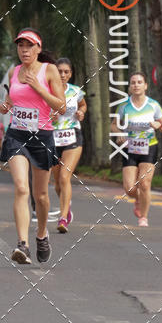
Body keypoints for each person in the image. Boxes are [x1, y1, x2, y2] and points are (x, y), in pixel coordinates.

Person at [0, 29, 65, 265]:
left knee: (42, 195)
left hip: (42, 137)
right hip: (17, 135)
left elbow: (62, 106)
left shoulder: (49, 71)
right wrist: (5, 107)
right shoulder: (13, 71)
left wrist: (38, 87)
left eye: (29, 46)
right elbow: (10, 100)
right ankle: (22, 245)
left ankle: (41, 235)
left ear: (38, 48)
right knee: (20, 187)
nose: (24, 50)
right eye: (20, 46)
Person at [113, 72, 162, 227]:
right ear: (130, 87)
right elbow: (114, 125)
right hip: (130, 147)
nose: (136, 85)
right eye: (133, 82)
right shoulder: (124, 106)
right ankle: (137, 198)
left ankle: (143, 217)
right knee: (129, 187)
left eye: (139, 82)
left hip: (149, 147)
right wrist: (119, 133)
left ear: (145, 86)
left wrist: (159, 125)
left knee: (144, 184)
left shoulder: (153, 105)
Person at [51, 58, 87, 234]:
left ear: (70, 74)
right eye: (59, 71)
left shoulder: (75, 91)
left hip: (73, 137)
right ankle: (67, 206)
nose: (63, 75)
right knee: (57, 183)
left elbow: (82, 105)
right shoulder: (47, 90)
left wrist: (81, 113)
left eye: (66, 72)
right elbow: (39, 114)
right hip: (52, 139)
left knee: (65, 177)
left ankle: (63, 218)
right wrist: (50, 117)